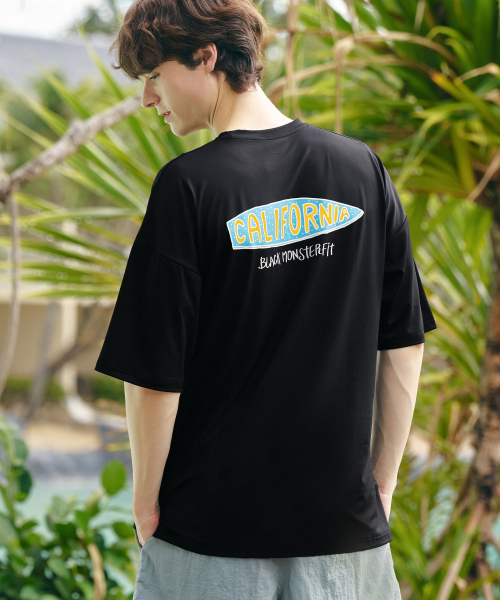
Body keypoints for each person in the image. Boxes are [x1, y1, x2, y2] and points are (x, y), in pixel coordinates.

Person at [94, 0, 437, 598]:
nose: (148, 98)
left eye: (154, 75)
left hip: (211, 537)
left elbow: (154, 377)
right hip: (347, 541)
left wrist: (145, 503)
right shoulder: (362, 169)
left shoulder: (188, 187)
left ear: (206, 57)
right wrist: (380, 485)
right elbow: (404, 342)